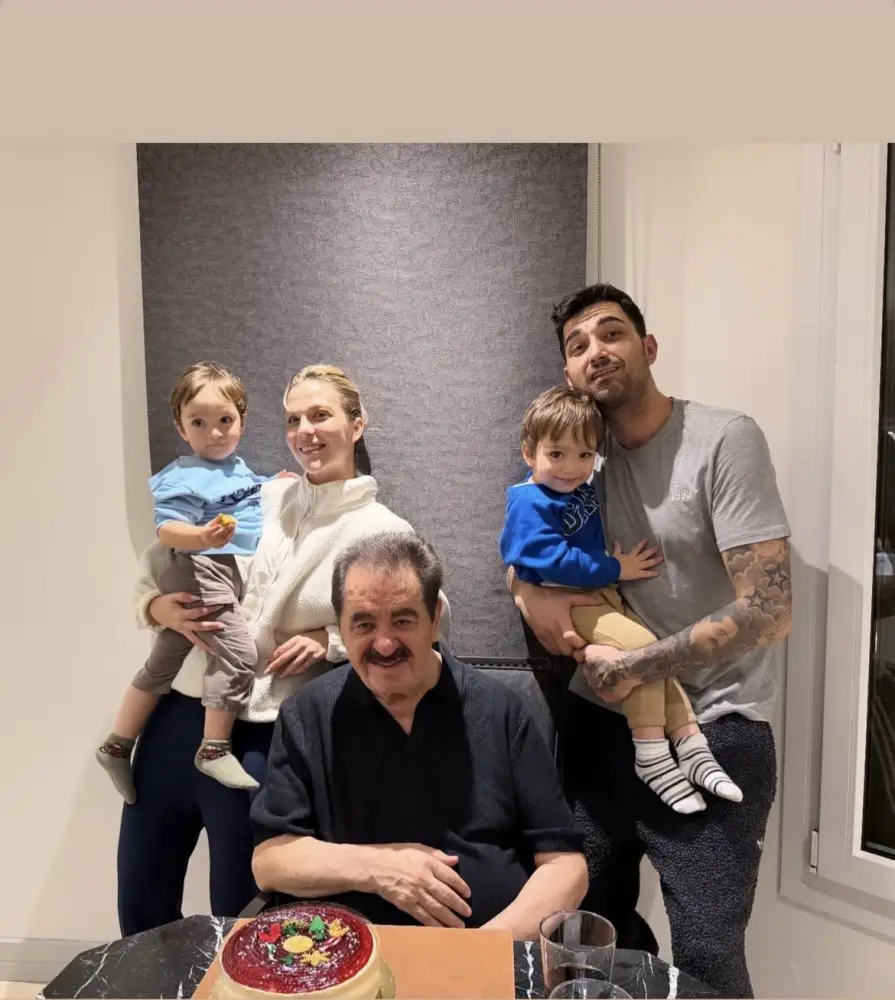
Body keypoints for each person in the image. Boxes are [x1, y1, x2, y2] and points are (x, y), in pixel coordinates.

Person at [509, 283, 791, 998]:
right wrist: (524, 589)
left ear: (648, 346)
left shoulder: (723, 439)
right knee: (584, 941)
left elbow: (768, 611)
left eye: (611, 333)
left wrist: (635, 664)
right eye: (578, 345)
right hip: (597, 730)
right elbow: (525, 546)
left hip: (715, 727)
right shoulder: (577, 454)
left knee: (705, 956)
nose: (596, 351)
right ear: (568, 372)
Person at [119, 365, 452, 936]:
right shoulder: (257, 492)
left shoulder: (381, 529)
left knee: (241, 917)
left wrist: (331, 642)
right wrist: (155, 608)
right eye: (293, 419)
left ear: (357, 424)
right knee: (140, 901)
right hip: (176, 716)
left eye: (320, 415)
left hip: (261, 735)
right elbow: (161, 558)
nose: (305, 431)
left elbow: (434, 619)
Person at [250, 531, 588, 941]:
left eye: (403, 620)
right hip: (348, 959)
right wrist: (382, 869)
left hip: (487, 956)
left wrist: (483, 953)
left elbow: (565, 865)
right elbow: (270, 862)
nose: (384, 643)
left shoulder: (503, 710)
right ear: (340, 626)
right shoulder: (306, 713)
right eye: (363, 623)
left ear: (435, 618)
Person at [499, 385, 742, 815]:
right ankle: (651, 754)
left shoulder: (576, 489)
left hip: (599, 595)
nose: (571, 467)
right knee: (643, 651)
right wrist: (614, 568)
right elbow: (546, 560)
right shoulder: (529, 501)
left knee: (654, 657)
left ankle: (691, 745)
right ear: (528, 453)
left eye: (584, 455)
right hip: (574, 599)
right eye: (556, 454)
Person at [98, 362, 274, 801]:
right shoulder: (183, 475)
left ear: (242, 421)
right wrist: (202, 537)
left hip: (213, 567)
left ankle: (117, 743)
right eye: (198, 422)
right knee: (240, 653)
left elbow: (248, 493)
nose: (214, 433)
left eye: (225, 420)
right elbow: (167, 530)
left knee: (166, 657)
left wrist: (274, 482)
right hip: (200, 566)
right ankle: (213, 748)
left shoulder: (237, 470)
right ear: (180, 427)